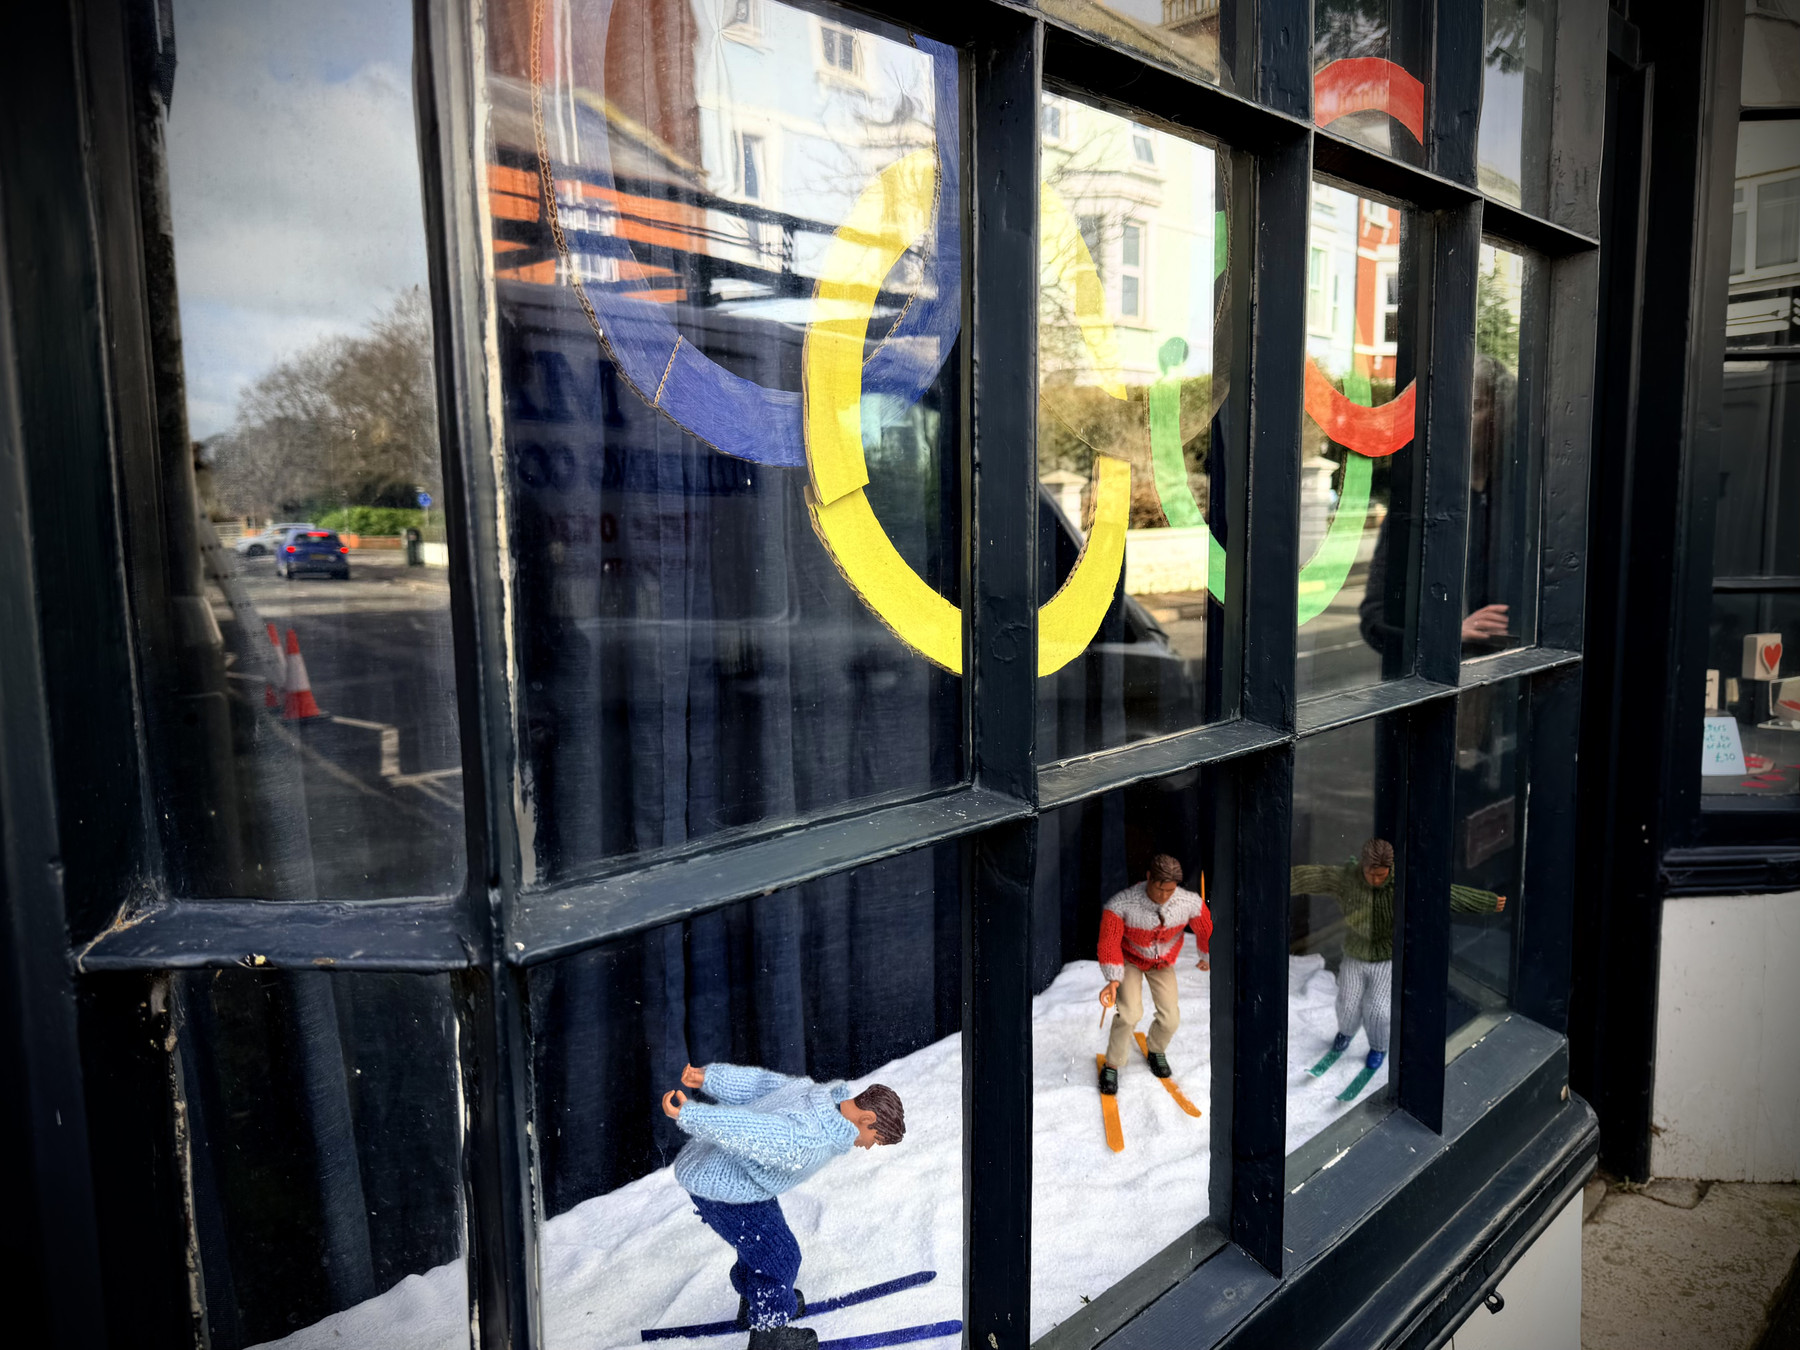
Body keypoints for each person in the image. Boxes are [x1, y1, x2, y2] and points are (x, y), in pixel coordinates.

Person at [662, 1063, 906, 1350]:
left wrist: (711, 1079)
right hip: (719, 1185)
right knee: (780, 1256)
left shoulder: (815, 1095)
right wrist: (692, 1115)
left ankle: (758, 1301)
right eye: (874, 1139)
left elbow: (759, 1084)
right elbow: (749, 1130)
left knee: (762, 1244)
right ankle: (770, 1333)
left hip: (738, 1178)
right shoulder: (808, 1138)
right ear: (866, 1117)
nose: (868, 1146)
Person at [1290, 838, 1505, 1071]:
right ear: (1362, 866)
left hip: (1385, 958)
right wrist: (1279, 880)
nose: (1375, 879)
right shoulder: (1346, 879)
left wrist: (1487, 902)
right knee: (1347, 1003)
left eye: (1381, 875)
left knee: (1379, 1011)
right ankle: (1346, 1032)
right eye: (1371, 873)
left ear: (1389, 870)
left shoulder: (1401, 886)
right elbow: (1313, 876)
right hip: (1355, 953)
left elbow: (1442, 894)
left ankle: (1378, 1046)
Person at [1096, 853, 1212, 1095]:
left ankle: (1156, 1049)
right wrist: (1113, 979)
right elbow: (1109, 942)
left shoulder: (1187, 903)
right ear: (1148, 877)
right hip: (1130, 960)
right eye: (1159, 889)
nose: (1163, 896)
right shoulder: (1121, 905)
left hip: (1162, 963)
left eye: (1170, 891)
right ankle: (1112, 1064)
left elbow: (1205, 927)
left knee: (1171, 1017)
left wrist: (1206, 955)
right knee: (1129, 1014)